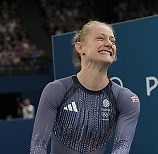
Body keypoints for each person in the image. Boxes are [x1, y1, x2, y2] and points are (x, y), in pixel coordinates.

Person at [30, 21, 140, 154]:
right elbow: (38, 145)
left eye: (113, 41)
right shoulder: (57, 90)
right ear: (80, 47)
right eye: (100, 38)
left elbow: (122, 147)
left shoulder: (126, 99)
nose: (109, 44)